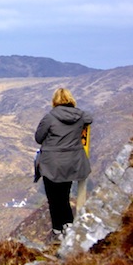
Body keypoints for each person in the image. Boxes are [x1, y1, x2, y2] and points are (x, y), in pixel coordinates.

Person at [35, 87, 93, 239]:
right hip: (72, 163)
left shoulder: (49, 117)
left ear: (54, 101)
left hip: (52, 164)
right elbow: (89, 118)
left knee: (54, 198)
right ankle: (68, 224)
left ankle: (57, 230)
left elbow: (38, 138)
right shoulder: (80, 116)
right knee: (64, 195)